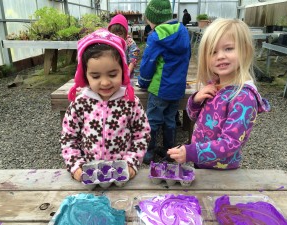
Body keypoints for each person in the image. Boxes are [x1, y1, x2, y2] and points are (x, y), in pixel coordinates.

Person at [167, 18, 271, 169]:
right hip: (203, 164)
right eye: (213, 52)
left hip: (222, 171)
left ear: (245, 50)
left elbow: (230, 143)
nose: (220, 56)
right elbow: (192, 116)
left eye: (228, 49)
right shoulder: (215, 85)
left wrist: (191, 152)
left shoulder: (244, 97)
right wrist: (195, 100)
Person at [61, 28, 151, 181]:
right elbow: (69, 138)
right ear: (85, 75)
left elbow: (141, 135)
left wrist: (131, 162)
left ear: (123, 71)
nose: (105, 82)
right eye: (95, 76)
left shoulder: (130, 102)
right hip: (91, 176)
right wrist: (76, 165)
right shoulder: (80, 103)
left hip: (123, 175)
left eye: (112, 74)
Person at [138, 0, 191, 164]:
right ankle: (170, 151)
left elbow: (148, 62)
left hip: (160, 88)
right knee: (170, 119)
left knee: (153, 120)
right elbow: (187, 58)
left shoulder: (156, 36)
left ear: (152, 19)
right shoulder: (182, 31)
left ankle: (149, 151)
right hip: (177, 88)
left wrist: (143, 82)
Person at [108, 14, 140, 78]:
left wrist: (127, 74)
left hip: (126, 73)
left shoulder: (130, 43)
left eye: (120, 34)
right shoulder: (109, 41)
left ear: (125, 33)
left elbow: (133, 60)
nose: (117, 36)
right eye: (114, 34)